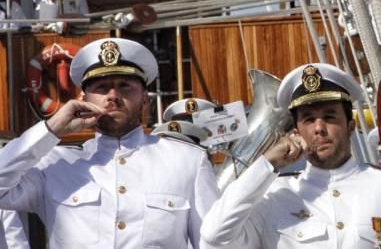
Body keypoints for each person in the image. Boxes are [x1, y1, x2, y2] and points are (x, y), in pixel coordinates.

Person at [0, 37, 220, 247]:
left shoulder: (187, 161)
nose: (113, 95)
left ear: (144, 97)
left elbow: (213, 243)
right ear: (83, 100)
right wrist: (52, 129)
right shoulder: (55, 165)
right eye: (102, 87)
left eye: (125, 86)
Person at [201, 63, 381, 247]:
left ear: (351, 126)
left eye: (329, 116)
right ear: (296, 132)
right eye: (308, 119)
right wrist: (267, 164)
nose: (319, 128)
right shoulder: (275, 195)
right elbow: (213, 237)